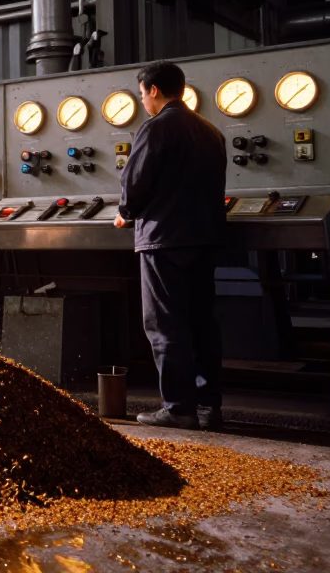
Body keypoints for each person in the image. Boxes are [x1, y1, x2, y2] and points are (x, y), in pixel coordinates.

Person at [114, 61, 227, 430]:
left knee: (165, 324)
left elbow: (136, 183)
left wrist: (125, 212)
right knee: (201, 323)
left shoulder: (156, 128)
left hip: (164, 239)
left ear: (153, 90)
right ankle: (209, 407)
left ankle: (179, 408)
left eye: (142, 93)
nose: (143, 100)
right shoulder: (210, 131)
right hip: (205, 238)